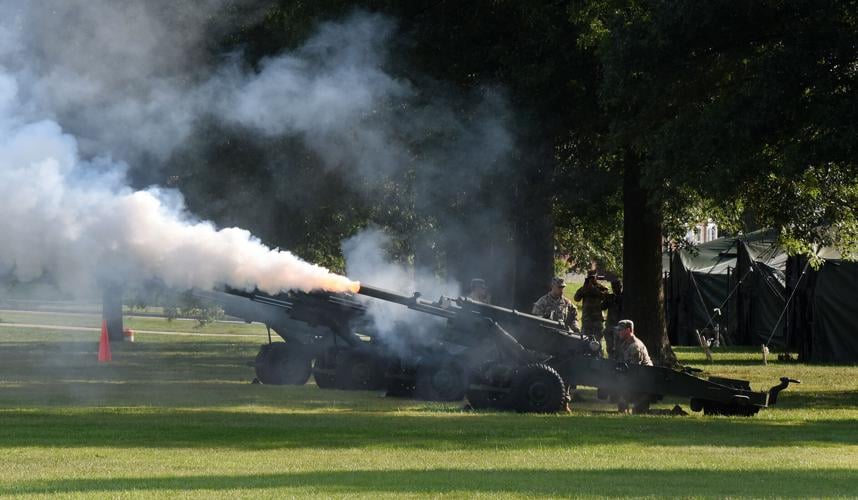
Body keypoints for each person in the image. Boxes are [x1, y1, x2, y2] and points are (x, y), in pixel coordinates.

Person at [573, 272, 609, 340]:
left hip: (597, 319)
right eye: (590, 278)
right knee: (585, 339)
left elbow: (605, 297)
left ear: (596, 277)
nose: (591, 280)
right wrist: (583, 289)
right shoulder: (584, 288)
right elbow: (576, 298)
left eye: (593, 277)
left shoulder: (601, 288)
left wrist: (593, 289)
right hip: (587, 319)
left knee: (597, 340)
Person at [602, 279, 623, 359]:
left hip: (620, 327)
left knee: (619, 348)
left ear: (620, 287)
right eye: (613, 287)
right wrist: (605, 298)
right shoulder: (610, 297)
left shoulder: (624, 297)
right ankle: (611, 360)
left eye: (617, 287)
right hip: (610, 326)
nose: (615, 289)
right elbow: (602, 307)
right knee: (610, 348)